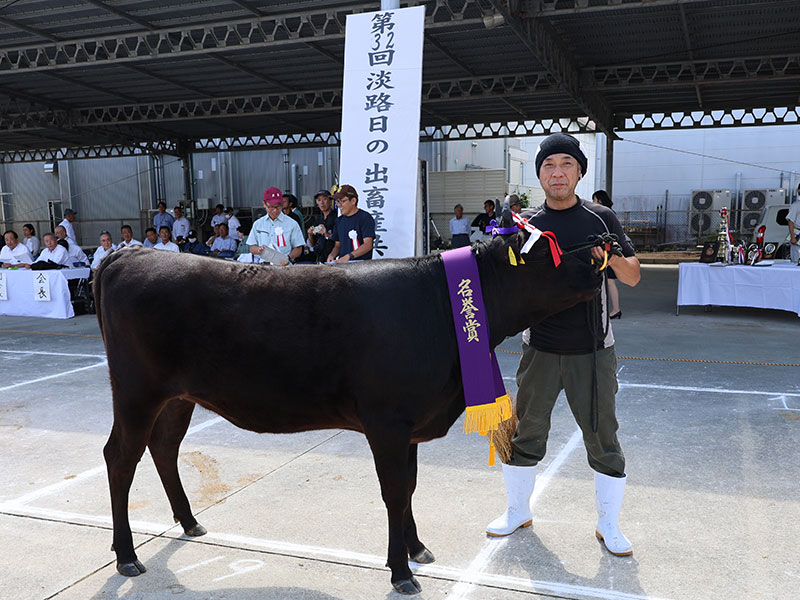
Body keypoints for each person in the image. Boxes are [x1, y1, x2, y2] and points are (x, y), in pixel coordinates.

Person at [486, 133, 641, 558]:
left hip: (593, 350)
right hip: (539, 348)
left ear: (579, 172)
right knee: (524, 433)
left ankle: (608, 524)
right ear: (539, 174)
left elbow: (632, 276)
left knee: (603, 438)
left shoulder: (601, 218)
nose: (557, 172)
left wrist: (607, 255)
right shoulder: (526, 224)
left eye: (566, 164)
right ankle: (517, 511)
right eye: (549, 165)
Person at [247, 186, 305, 265]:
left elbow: (298, 248)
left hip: (284, 266)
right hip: (264, 267)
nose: (275, 210)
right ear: (264, 204)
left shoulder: (292, 223)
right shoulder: (258, 224)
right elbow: (251, 247)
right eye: (271, 207)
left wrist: (288, 258)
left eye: (278, 207)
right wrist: (259, 249)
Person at [327, 185, 376, 263]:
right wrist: (332, 255)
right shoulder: (339, 221)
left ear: (353, 201)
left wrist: (349, 256)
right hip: (343, 266)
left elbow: (368, 245)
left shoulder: (365, 217)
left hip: (362, 266)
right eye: (337, 201)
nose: (338, 205)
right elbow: (338, 245)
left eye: (342, 201)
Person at [593, 190, 621, 319]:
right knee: (608, 282)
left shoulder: (605, 214)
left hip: (607, 252)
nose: (593, 203)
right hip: (608, 251)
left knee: (609, 282)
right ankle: (614, 309)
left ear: (599, 200)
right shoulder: (610, 213)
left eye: (594, 200)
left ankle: (616, 309)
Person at [307, 189, 337, 262]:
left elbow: (340, 240)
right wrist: (310, 234)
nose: (322, 202)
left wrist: (326, 234)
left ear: (331, 201)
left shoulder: (337, 217)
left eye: (325, 199)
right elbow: (312, 244)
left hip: (333, 258)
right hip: (320, 258)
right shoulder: (318, 219)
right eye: (319, 200)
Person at [788, 184, 800, 264]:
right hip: (797, 234)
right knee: (797, 259)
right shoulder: (796, 205)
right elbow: (791, 221)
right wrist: (792, 237)